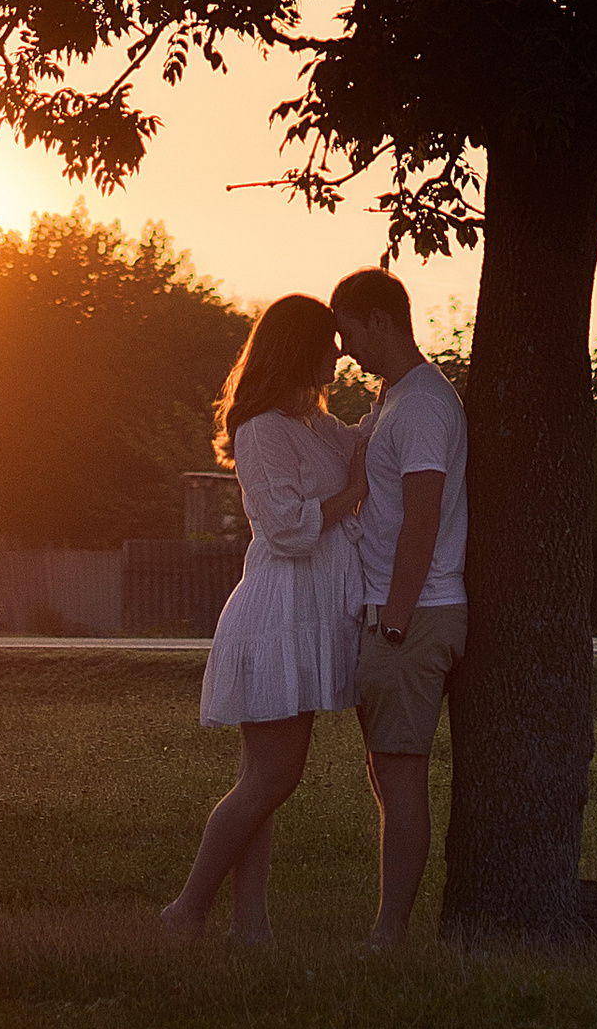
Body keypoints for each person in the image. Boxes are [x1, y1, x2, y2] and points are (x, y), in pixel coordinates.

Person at [160, 292, 367, 944]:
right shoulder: (261, 431)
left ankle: (251, 929)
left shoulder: (317, 424)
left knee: (263, 782)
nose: (339, 354)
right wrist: (352, 495)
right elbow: (287, 531)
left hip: (304, 615)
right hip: (277, 615)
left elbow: (366, 443)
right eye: (328, 343)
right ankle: (187, 909)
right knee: (274, 778)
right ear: (298, 349)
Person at [330, 264, 468, 949]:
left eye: (349, 333)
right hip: (393, 611)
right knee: (387, 768)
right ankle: (389, 927)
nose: (344, 349)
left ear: (380, 321)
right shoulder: (392, 400)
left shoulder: (419, 405)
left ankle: (389, 935)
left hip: (413, 613)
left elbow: (422, 519)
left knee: (402, 771)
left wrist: (395, 620)